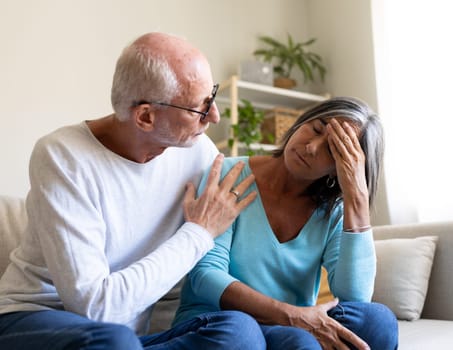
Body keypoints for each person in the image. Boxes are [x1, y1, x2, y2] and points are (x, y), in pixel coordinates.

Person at [0, 32, 267, 350]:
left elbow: (267, 183)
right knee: (115, 339)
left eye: (212, 96)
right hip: (33, 318)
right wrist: (199, 232)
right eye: (201, 107)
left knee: (239, 331)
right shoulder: (62, 156)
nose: (215, 116)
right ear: (145, 116)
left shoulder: (195, 150)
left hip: (129, 340)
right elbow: (95, 307)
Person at [173, 96, 399, 350]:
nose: (312, 147)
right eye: (315, 129)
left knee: (377, 322)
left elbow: (355, 298)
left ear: (342, 167)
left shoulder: (334, 212)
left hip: (291, 329)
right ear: (302, 121)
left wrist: (357, 198)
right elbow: (205, 276)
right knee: (274, 337)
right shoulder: (229, 174)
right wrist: (294, 316)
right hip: (222, 324)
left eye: (331, 150)